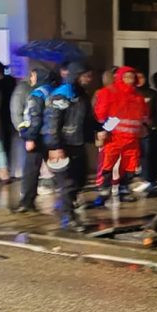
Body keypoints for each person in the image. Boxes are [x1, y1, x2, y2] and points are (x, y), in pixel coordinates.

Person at [43, 62, 96, 232]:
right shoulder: (61, 96)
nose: (89, 79)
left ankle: (66, 207)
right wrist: (55, 146)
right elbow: (52, 123)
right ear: (76, 75)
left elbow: (88, 120)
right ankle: (68, 217)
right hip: (63, 145)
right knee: (68, 183)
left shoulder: (82, 96)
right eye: (86, 76)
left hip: (77, 143)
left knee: (80, 179)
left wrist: (102, 129)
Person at [92, 66, 148, 205]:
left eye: (132, 77)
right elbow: (101, 114)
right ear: (119, 77)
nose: (129, 80)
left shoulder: (138, 96)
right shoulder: (108, 92)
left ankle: (123, 189)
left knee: (129, 165)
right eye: (126, 77)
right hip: (114, 136)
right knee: (107, 164)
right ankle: (104, 190)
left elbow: (143, 115)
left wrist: (143, 127)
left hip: (132, 138)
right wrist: (103, 130)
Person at [13, 66, 58, 213]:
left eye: (32, 76)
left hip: (38, 137)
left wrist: (30, 137)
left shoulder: (37, 94)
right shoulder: (52, 91)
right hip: (51, 136)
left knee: (31, 170)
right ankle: (72, 199)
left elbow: (35, 117)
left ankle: (26, 202)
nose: (31, 79)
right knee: (60, 169)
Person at [0, 61, 18, 176]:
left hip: (2, 115)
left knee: (3, 141)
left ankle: (2, 167)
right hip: (5, 115)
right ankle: (4, 167)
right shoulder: (10, 80)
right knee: (4, 141)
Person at [136, 71, 157, 188]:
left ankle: (149, 180)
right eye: (136, 77)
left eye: (141, 76)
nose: (139, 80)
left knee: (148, 155)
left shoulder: (152, 94)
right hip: (133, 129)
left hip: (149, 129)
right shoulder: (131, 93)